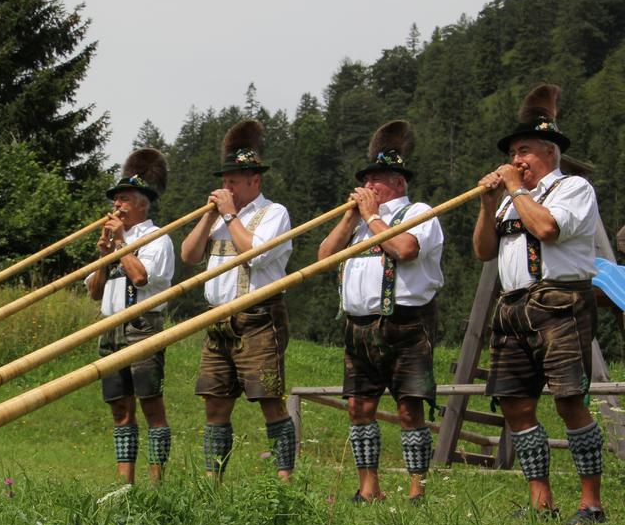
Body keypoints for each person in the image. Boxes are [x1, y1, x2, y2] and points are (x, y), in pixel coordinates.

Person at [473, 84, 605, 525]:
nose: (516, 161)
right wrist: (490, 202)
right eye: (512, 152)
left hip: (559, 301)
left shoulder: (574, 188)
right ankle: (540, 502)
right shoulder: (512, 198)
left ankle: (591, 504)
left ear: (549, 152)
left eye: (524, 150)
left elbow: (547, 229)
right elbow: (484, 251)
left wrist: (514, 188)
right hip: (512, 306)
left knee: (569, 400)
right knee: (514, 404)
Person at [317, 120, 444, 503]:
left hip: (404, 323)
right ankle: (368, 488)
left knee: (409, 409)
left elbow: (404, 250)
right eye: (367, 178)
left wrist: (372, 217)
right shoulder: (358, 225)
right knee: (359, 407)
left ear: (400, 182)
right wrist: (349, 218)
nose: (370, 186)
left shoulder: (419, 212)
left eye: (379, 178)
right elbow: (324, 259)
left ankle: (417, 489)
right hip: (358, 328)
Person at [180, 119, 295, 480]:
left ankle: (284, 483)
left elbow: (255, 254)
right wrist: (208, 216)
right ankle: (212, 482)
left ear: (254, 181)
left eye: (234, 180)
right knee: (215, 402)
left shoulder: (274, 213)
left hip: (258, 317)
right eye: (224, 180)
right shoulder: (218, 219)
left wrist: (229, 214)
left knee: (269, 400)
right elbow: (188, 255)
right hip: (216, 320)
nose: (226, 186)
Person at [86, 148, 174, 484]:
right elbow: (94, 291)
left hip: (142, 326)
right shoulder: (111, 241)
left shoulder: (157, 238)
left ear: (142, 203)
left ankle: (157, 482)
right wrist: (104, 258)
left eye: (124, 200)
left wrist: (121, 245)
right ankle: (126, 483)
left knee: (151, 405)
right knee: (120, 409)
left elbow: (140, 278)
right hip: (109, 328)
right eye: (116, 200)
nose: (117, 206)